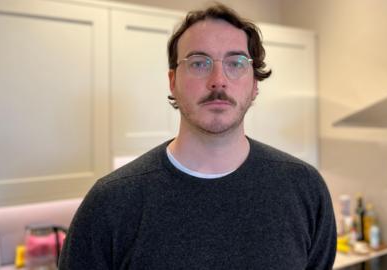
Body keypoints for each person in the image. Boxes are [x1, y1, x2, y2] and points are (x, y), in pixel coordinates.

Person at [59, 3, 336, 270]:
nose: (218, 79)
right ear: (172, 81)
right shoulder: (110, 202)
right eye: (199, 63)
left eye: (236, 63)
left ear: (254, 84)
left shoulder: (305, 188)